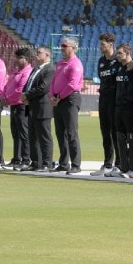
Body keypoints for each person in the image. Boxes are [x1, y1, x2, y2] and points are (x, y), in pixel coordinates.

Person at [50, 37, 84, 174]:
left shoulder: (75, 64)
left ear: (73, 48)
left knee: (71, 132)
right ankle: (64, 163)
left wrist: (58, 97)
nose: (62, 48)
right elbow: (53, 81)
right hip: (59, 100)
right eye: (62, 45)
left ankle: (76, 164)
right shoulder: (60, 63)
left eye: (65, 45)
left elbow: (73, 84)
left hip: (69, 99)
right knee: (60, 132)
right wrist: (52, 96)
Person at [20, 46, 55, 172]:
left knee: (44, 136)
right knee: (33, 136)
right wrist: (24, 94)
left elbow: (44, 87)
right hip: (32, 107)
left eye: (39, 53)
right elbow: (28, 84)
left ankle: (47, 163)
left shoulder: (49, 69)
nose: (36, 54)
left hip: (43, 107)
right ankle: (36, 162)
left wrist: (27, 95)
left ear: (47, 55)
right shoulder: (35, 69)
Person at [91, 33, 120, 176]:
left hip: (115, 100)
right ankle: (108, 163)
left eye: (103, 44)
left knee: (116, 132)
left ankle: (119, 164)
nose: (100, 47)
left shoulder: (118, 59)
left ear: (111, 44)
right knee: (105, 132)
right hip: (104, 100)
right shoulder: (101, 61)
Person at [111, 43, 133, 178]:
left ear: (128, 53)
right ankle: (123, 167)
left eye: (120, 53)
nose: (117, 56)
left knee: (132, 137)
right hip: (118, 107)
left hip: (131, 108)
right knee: (120, 136)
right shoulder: (119, 68)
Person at [2, 47, 32, 170]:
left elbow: (20, 90)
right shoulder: (15, 72)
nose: (17, 60)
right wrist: (4, 96)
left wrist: (7, 98)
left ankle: (26, 159)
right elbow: (7, 85)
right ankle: (16, 158)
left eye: (20, 58)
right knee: (15, 133)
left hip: (21, 105)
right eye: (17, 57)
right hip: (13, 105)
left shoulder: (27, 72)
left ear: (26, 59)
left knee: (23, 133)